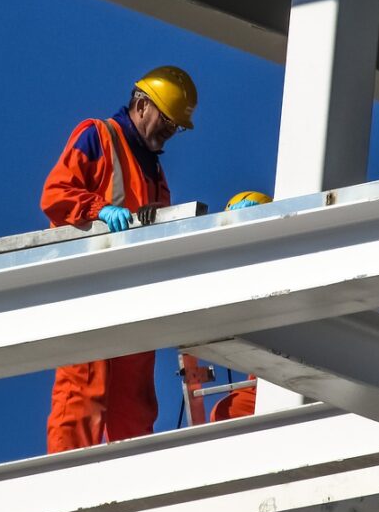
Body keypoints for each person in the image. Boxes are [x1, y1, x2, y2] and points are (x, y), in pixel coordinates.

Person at [41, 66, 198, 453]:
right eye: (167, 121)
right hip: (87, 289)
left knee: (135, 406)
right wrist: (98, 211)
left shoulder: (154, 171)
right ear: (142, 105)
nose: (169, 133)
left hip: (131, 297)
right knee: (82, 393)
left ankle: (131, 488)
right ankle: (65, 486)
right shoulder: (97, 135)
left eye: (175, 127)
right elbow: (56, 194)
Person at [209, 191, 273, 422]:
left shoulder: (284, 268)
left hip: (315, 379)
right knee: (228, 413)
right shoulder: (238, 280)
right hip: (265, 382)